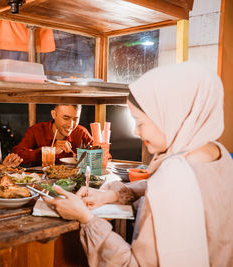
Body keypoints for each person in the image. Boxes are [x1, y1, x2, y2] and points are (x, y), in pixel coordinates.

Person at [44, 62, 233, 266]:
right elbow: (168, 187)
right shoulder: (216, 153)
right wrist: (115, 194)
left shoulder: (175, 176)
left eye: (140, 121)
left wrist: (86, 218)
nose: (136, 131)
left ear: (171, 117)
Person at [12, 104, 93, 166]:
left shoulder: (81, 133)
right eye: (66, 118)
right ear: (54, 114)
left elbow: (96, 155)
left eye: (75, 119)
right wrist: (48, 150)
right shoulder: (37, 130)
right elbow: (17, 155)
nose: (70, 125)